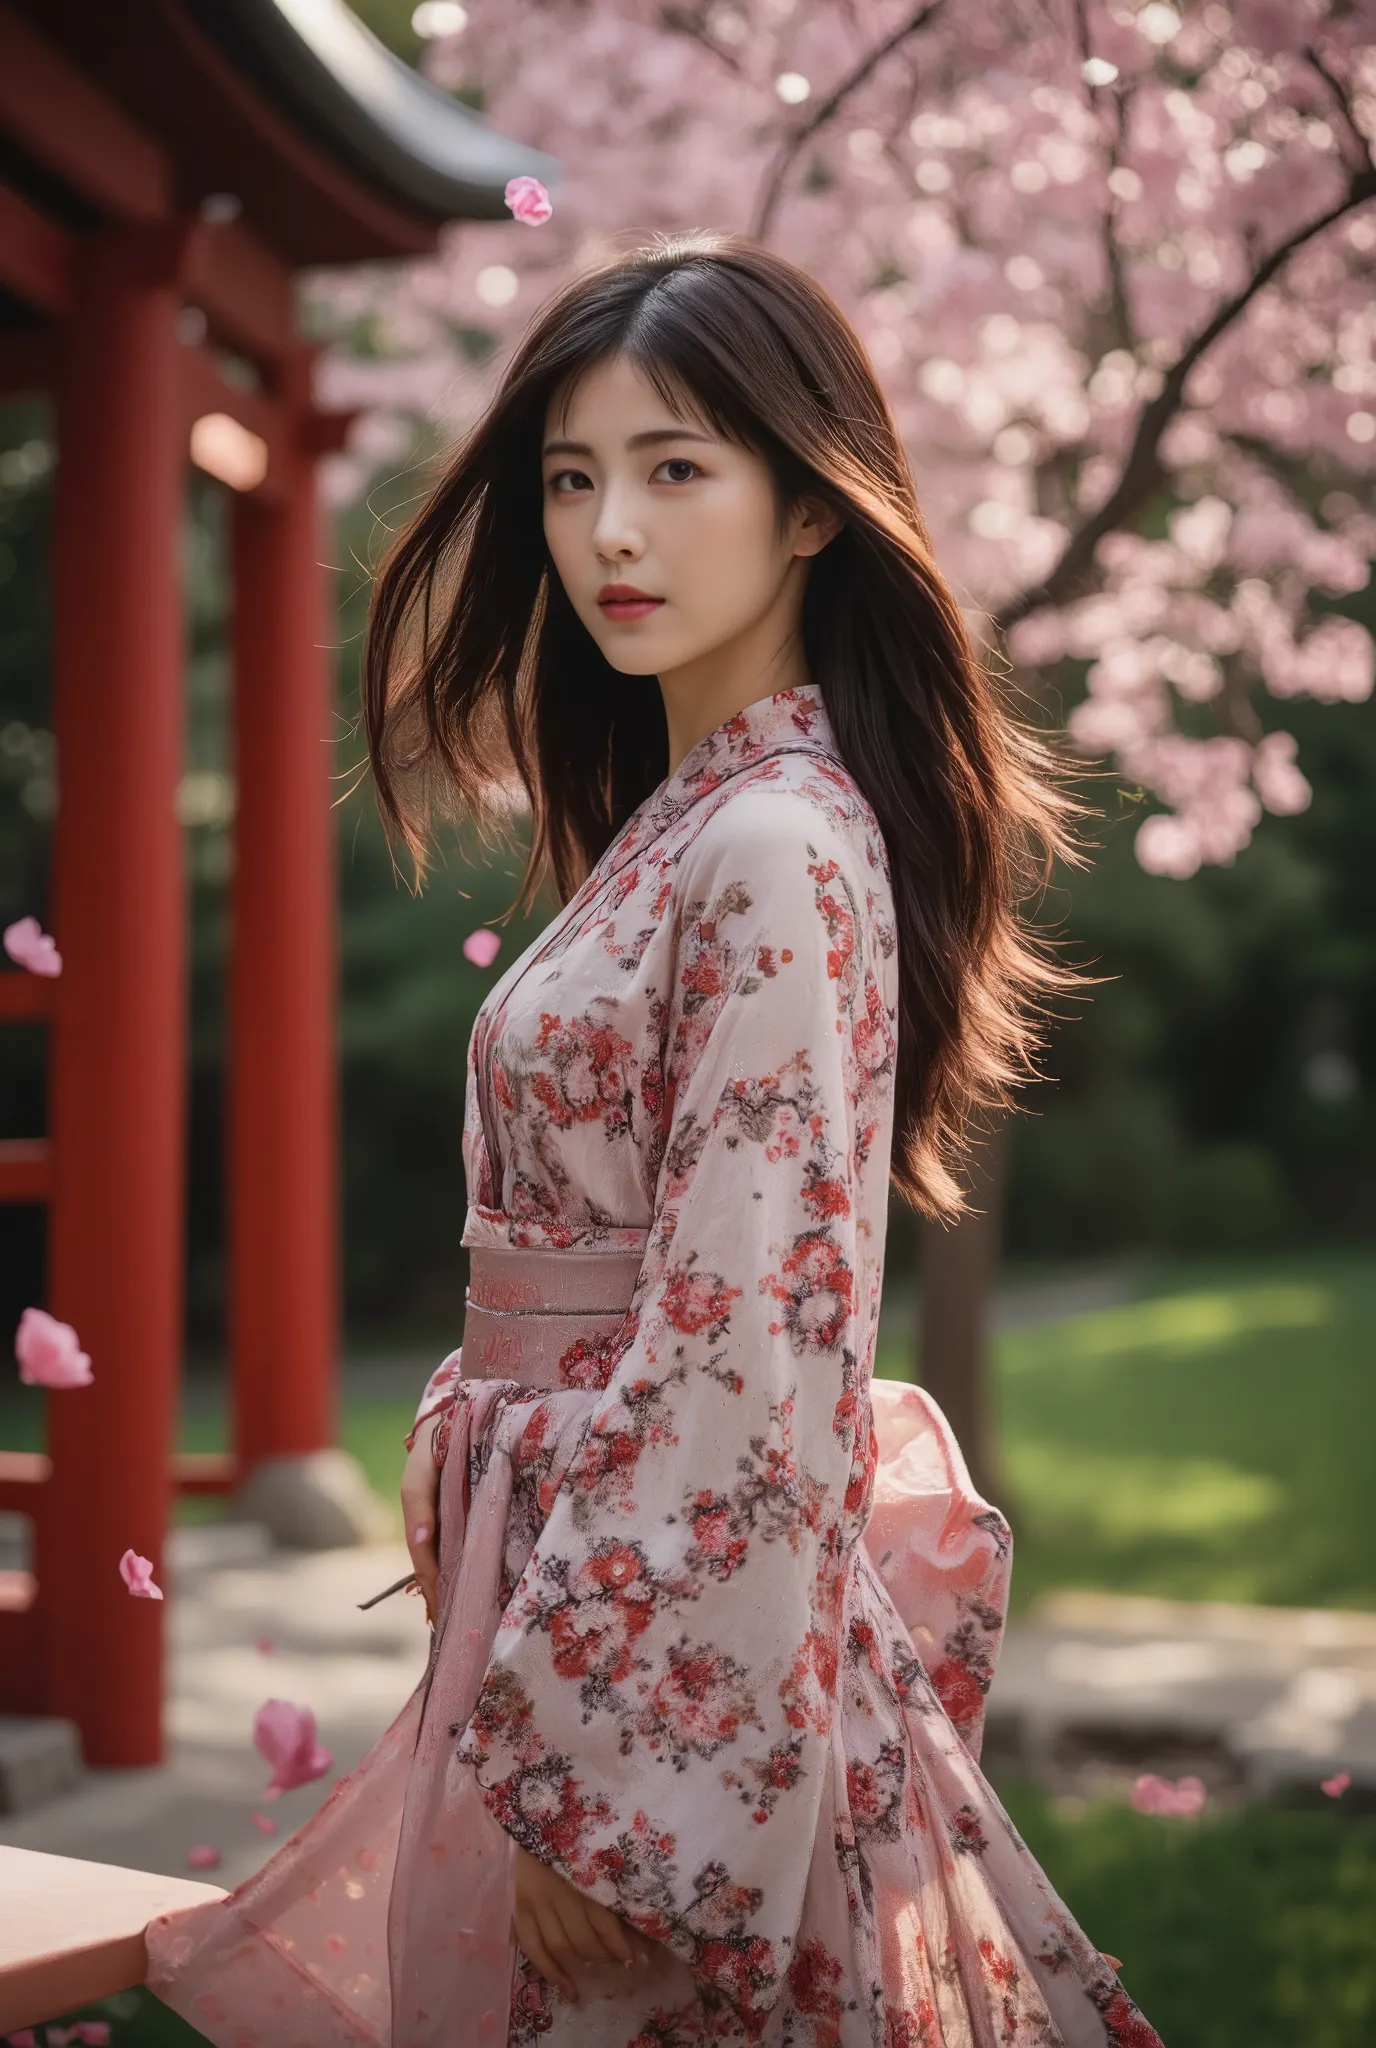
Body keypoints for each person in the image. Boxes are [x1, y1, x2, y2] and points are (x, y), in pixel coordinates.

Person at [146, 232, 1162, 2047]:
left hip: (650, 1685)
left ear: (810, 509)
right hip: (569, 1615)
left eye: (676, 468)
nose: (611, 530)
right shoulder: (693, 822)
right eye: (569, 477)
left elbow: (753, 1343)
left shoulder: (776, 842)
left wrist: (617, 1787)